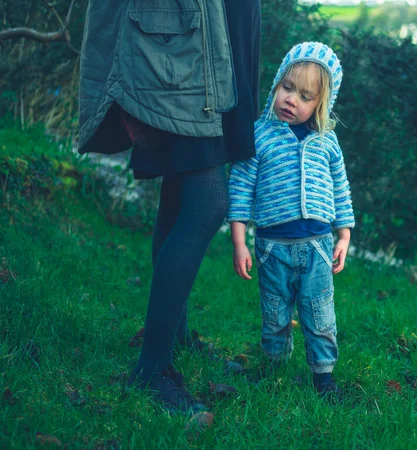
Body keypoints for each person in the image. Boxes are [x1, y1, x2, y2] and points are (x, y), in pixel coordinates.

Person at [77, 0, 261, 414]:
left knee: (180, 197)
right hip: (175, 47)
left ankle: (174, 339)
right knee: (207, 205)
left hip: (215, 37)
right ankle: (150, 371)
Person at [227, 42, 354, 396]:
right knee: (275, 313)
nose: (291, 100)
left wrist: (343, 236)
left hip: (317, 246)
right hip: (272, 248)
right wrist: (239, 241)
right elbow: (240, 186)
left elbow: (340, 190)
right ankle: (273, 367)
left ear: (320, 103)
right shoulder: (259, 135)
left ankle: (324, 376)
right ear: (276, 84)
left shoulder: (327, 142)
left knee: (319, 313)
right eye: (287, 87)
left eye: (304, 95)